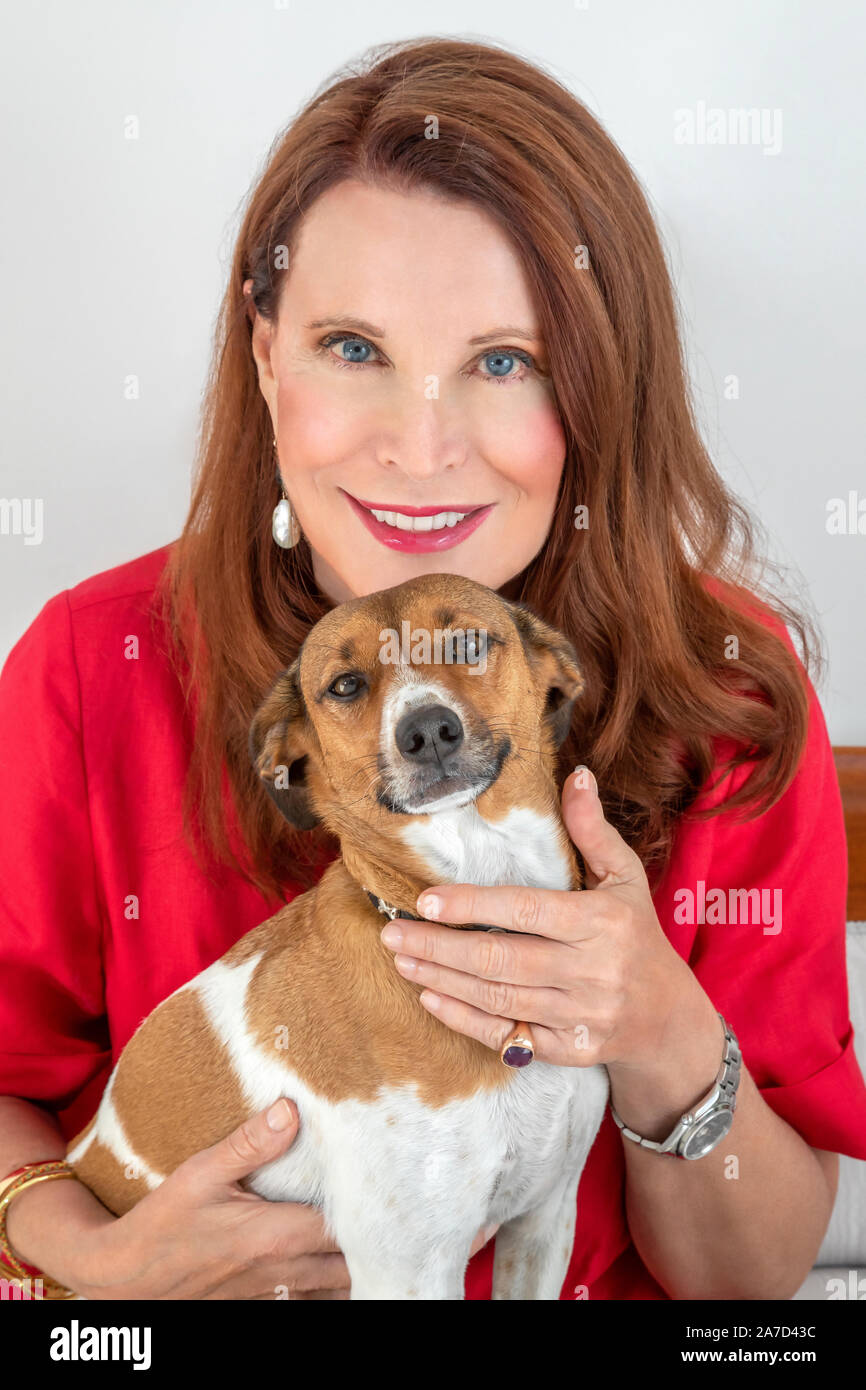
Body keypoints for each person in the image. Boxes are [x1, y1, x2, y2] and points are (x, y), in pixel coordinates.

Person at [1, 35, 864, 1302]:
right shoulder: (92, 664)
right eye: (352, 347)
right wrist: (95, 1266)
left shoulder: (720, 678)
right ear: (263, 356)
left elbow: (748, 1278)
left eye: (501, 360)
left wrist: (660, 1027)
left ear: (594, 385)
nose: (419, 447)